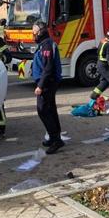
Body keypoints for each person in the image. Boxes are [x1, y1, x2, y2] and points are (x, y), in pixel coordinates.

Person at [31, 21, 64, 154]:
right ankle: (55, 137)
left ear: (40, 32)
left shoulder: (46, 46)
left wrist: (40, 85)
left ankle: (56, 140)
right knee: (50, 109)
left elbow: (48, 68)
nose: (33, 35)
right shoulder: (44, 44)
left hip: (47, 83)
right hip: (48, 82)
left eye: (34, 32)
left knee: (43, 110)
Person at [90, 27, 109, 100]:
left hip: (100, 64)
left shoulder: (103, 40)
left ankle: (94, 96)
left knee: (105, 82)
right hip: (104, 66)